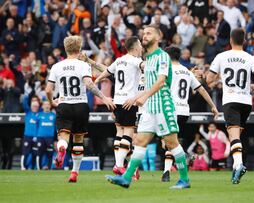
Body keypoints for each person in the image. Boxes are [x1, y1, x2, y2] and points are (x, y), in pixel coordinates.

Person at [106, 25, 191, 190]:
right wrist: (135, 97)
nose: (144, 36)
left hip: (163, 106)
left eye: (149, 33)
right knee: (139, 142)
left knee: (172, 143)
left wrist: (143, 97)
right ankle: (126, 178)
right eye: (143, 33)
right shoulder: (149, 59)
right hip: (150, 107)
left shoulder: (163, 57)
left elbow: (161, 81)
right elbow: (149, 85)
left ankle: (185, 179)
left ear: (158, 37)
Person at [45, 36, 115, 182]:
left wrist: (52, 101)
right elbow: (89, 84)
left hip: (64, 104)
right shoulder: (83, 65)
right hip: (81, 105)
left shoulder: (57, 66)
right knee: (78, 140)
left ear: (65, 48)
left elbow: (48, 89)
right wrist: (104, 98)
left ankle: (62, 148)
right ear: (80, 48)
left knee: (63, 136)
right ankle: (74, 173)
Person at [206, 28, 254, 184]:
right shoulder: (250, 58)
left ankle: (238, 165)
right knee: (237, 137)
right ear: (244, 40)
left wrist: (219, 80)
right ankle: (235, 171)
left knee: (234, 136)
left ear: (230, 40)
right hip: (246, 102)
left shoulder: (222, 56)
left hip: (230, 101)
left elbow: (209, 80)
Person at [83, 36, 143, 178]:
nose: (141, 47)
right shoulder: (137, 61)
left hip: (117, 101)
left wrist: (96, 79)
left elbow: (108, 71)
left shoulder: (119, 60)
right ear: (135, 47)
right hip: (130, 101)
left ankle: (124, 166)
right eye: (140, 44)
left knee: (119, 132)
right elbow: (144, 67)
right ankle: (120, 165)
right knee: (129, 133)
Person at [161, 46, 219, 182]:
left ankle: (184, 156)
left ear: (168, 57)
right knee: (170, 140)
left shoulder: (166, 70)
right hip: (184, 112)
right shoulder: (187, 73)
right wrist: (213, 106)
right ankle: (166, 172)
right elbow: (202, 90)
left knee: (167, 142)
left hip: (170, 110)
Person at [21, 96, 40, 170]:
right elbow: (24, 104)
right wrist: (26, 96)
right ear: (31, 106)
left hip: (36, 137)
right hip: (27, 136)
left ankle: (32, 167)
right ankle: (23, 167)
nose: (35, 107)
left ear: (38, 107)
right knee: (25, 152)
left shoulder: (40, 114)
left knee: (35, 153)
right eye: (33, 106)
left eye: (36, 106)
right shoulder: (28, 113)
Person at [35, 101, 56, 170]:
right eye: (45, 104)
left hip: (50, 138)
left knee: (50, 154)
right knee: (39, 153)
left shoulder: (53, 115)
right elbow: (36, 126)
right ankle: (39, 169)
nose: (47, 106)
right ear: (42, 106)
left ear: (50, 106)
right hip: (40, 137)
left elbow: (56, 128)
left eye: (48, 104)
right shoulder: (39, 115)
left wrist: (56, 139)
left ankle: (49, 168)